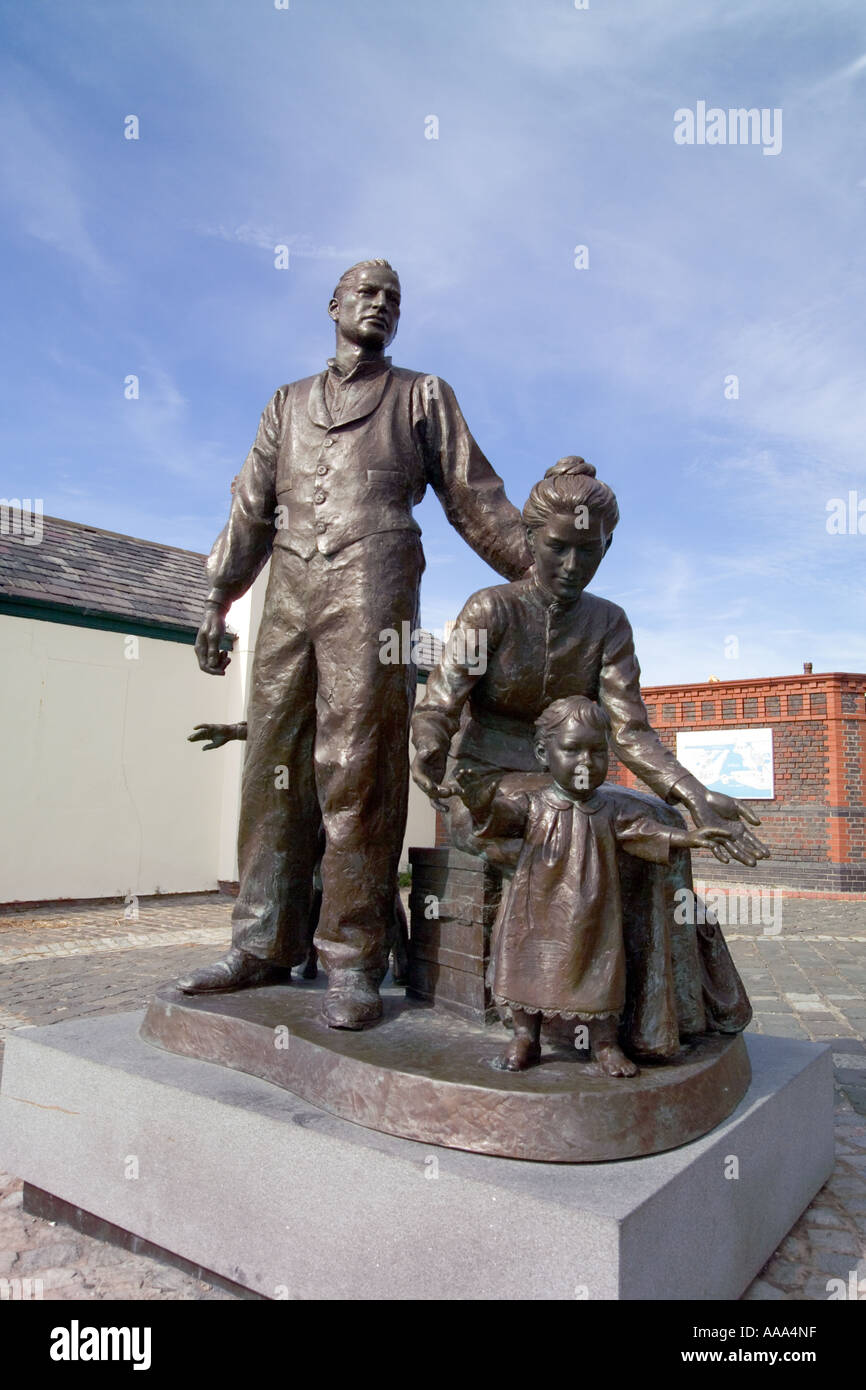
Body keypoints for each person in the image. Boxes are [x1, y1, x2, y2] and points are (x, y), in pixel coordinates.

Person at [177, 259, 531, 1029]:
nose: (380, 305)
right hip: (289, 590)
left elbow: (476, 497)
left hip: (374, 581)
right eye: (366, 293)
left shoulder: (422, 395)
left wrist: (539, 574)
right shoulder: (287, 402)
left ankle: (352, 958)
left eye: (393, 299)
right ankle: (263, 941)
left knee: (358, 768)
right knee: (273, 760)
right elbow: (250, 502)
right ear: (334, 305)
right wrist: (217, 597)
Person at [412, 457, 767, 1057]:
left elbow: (631, 732)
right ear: (529, 539)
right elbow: (440, 703)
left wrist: (693, 793)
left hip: (574, 780)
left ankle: (662, 1016)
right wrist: (427, 745)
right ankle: (549, 1012)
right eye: (560, 547)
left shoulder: (609, 622)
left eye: (591, 551)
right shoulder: (490, 609)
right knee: (571, 824)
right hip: (490, 781)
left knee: (660, 824)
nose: (574, 565)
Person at [448, 696, 730, 1073]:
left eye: (597, 752)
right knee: (526, 969)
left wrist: (688, 839)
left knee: (600, 971)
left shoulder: (609, 808)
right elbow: (500, 818)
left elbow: (642, 831)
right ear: (543, 754)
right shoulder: (535, 804)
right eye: (572, 750)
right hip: (535, 913)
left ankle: (604, 1044)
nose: (586, 761)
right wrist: (481, 802)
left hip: (595, 913)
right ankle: (525, 1037)